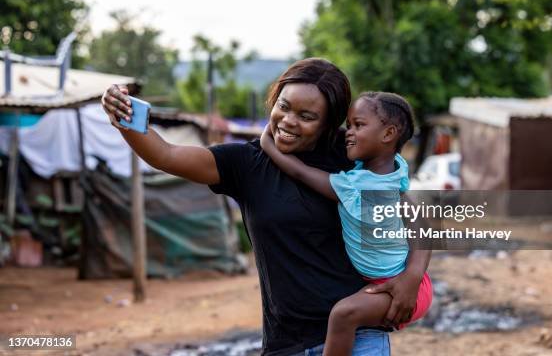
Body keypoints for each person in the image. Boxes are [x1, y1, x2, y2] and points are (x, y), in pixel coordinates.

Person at [101, 58, 431, 355]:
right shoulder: (246, 164)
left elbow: (417, 210)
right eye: (283, 107)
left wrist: (413, 275)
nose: (288, 121)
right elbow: (167, 155)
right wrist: (125, 118)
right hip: (284, 344)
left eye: (307, 116)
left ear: (329, 124)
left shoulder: (350, 157)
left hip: (357, 339)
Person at [259, 91, 433, 355]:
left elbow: (298, 170)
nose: (348, 132)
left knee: (343, 314)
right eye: (348, 124)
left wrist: (267, 142)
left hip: (402, 289)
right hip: (402, 282)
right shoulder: (395, 172)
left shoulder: (353, 186)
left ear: (388, 135)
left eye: (358, 125)